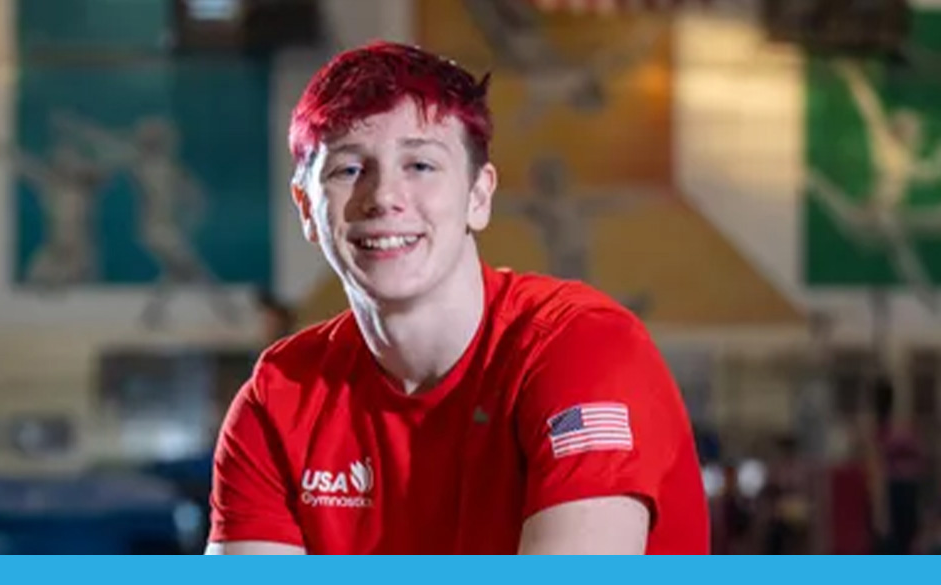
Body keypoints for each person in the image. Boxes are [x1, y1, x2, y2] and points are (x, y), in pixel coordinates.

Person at [207, 41, 709, 555]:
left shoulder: (582, 349)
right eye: (348, 170)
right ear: (307, 209)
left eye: (420, 165)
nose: (383, 197)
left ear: (478, 196)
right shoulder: (279, 398)